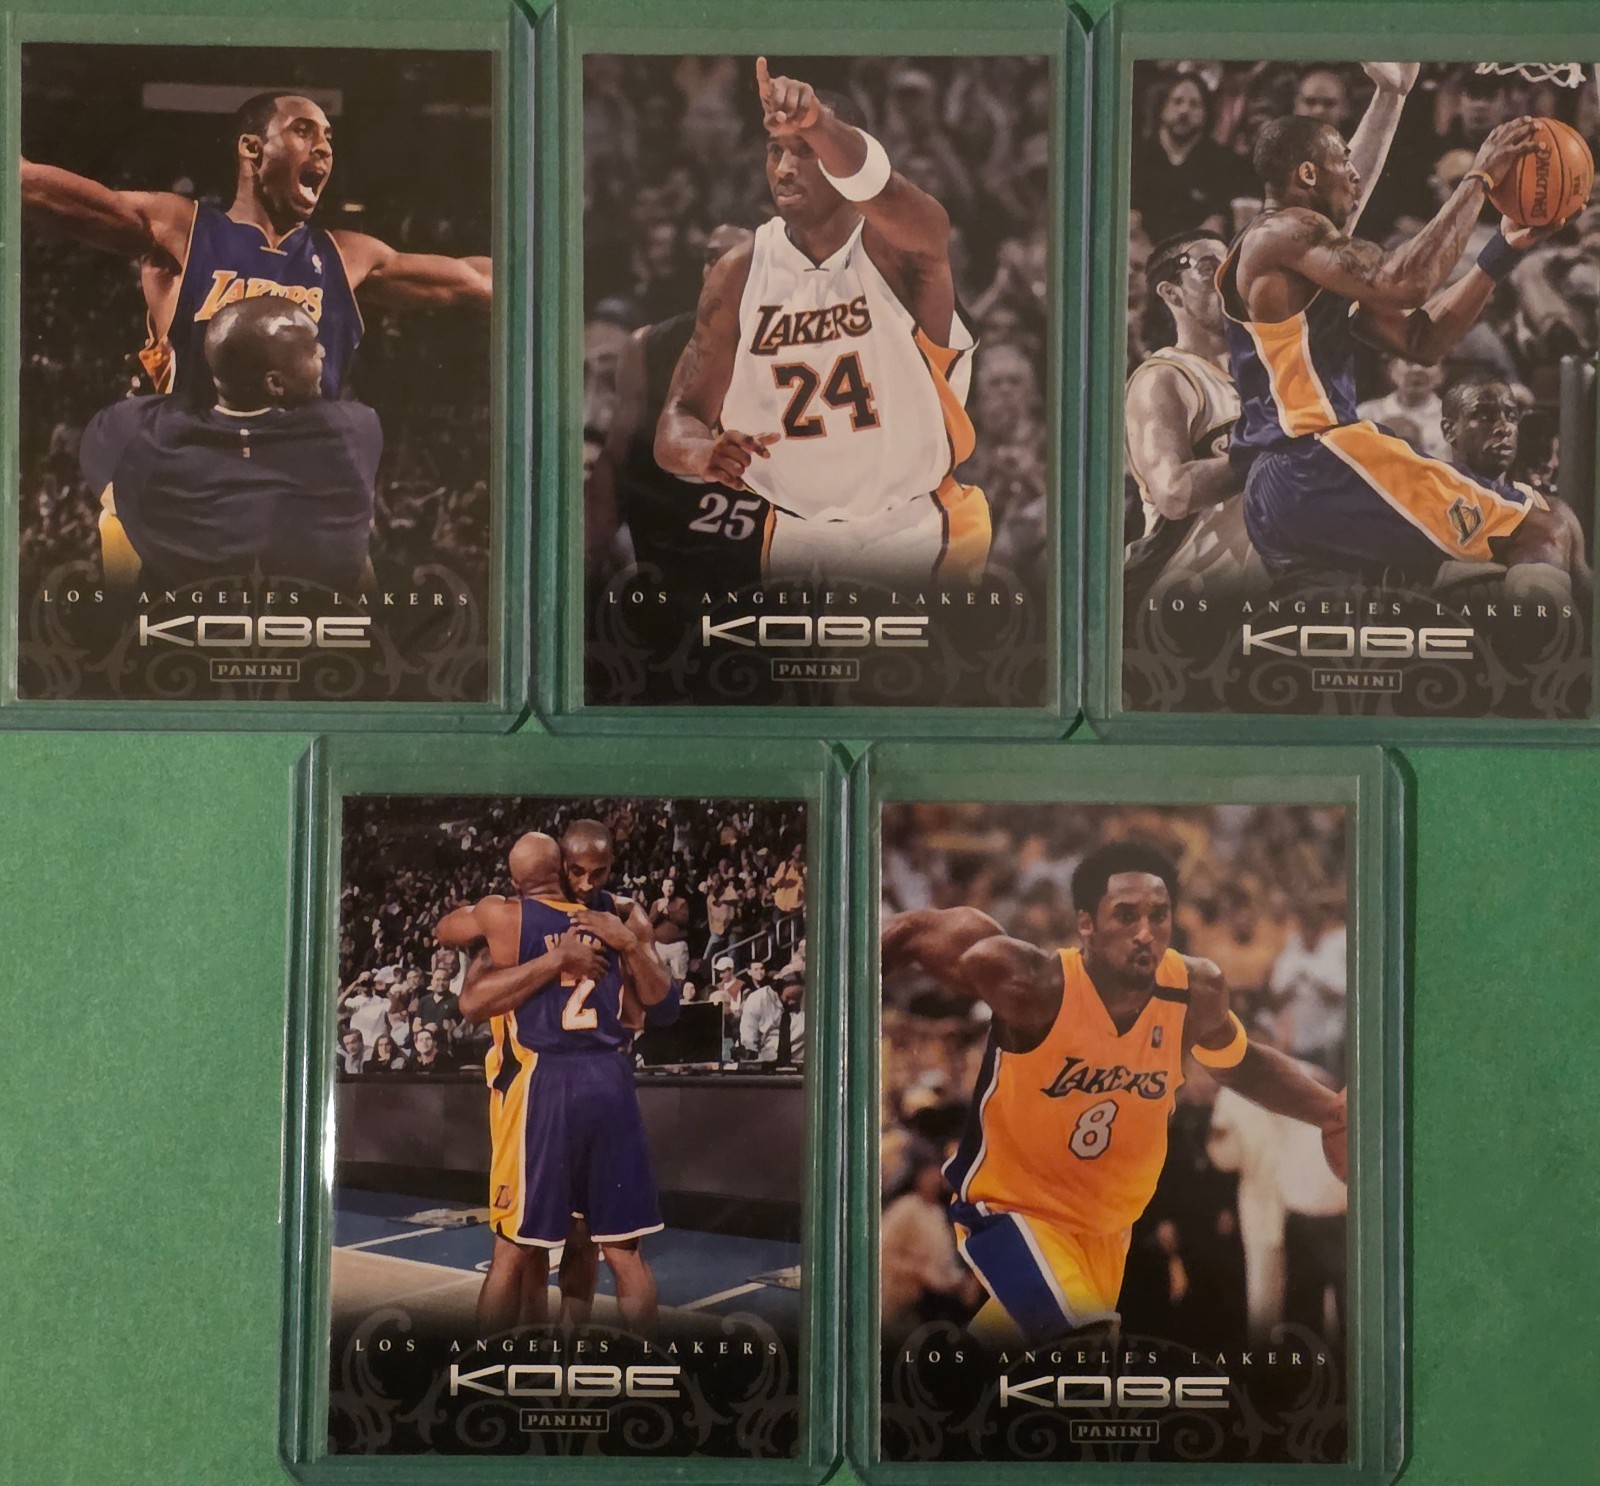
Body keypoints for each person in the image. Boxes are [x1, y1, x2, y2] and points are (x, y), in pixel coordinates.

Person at [881, 841, 1347, 1347]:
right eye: (1126, 915)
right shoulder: (1034, 985)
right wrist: (831, 984)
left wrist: (1329, 1111)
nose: (1145, 932)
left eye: (1158, 915)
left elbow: (1241, 1063)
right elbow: (913, 933)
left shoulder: (1193, 992)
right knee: (1081, 1342)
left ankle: (939, 1390)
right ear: (1087, 924)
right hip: (1014, 1211)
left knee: (1012, 1356)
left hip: (1106, 1232)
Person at [1220, 105, 1587, 597]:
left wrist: (1502, 250)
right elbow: (1406, 281)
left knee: (1393, 607)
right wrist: (1479, 178)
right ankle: (1547, 644)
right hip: (1319, 460)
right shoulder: (1283, 230)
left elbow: (1421, 340)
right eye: (1343, 160)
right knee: (1542, 527)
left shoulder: (1301, 268)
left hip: (1279, 495)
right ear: (1307, 174)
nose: (1355, 174)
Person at [655, 59, 988, 586]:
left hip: (917, 528)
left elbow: (889, 195)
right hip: (794, 535)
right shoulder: (738, 273)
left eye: (804, 151)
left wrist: (818, 124)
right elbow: (681, 415)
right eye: (776, 151)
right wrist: (702, 453)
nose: (784, 169)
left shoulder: (900, 249)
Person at [1125, 67, 1417, 611]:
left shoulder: (1263, 362)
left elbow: (1332, 216)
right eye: (1207, 268)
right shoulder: (1165, 377)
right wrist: (1278, 449)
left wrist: (1390, 96)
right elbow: (1175, 493)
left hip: (1270, 595)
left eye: (1229, 263)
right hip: (1189, 602)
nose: (1226, 276)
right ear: (1169, 293)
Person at [21, 90, 491, 405]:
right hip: (192, 485)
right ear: (252, 148)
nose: (324, 147)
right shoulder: (183, 228)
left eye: (328, 137)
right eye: (303, 131)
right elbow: (38, 188)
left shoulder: (346, 255)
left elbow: (474, 279)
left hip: (295, 493)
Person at [437, 825, 673, 1333]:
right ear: (560, 867)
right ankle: (625, 1358)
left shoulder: (509, 916)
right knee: (615, 1249)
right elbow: (653, 1011)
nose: (587, 883)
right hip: (609, 1079)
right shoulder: (618, 914)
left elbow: (464, 984)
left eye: (597, 873)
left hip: (539, 1085)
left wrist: (485, 927)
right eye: (577, 872)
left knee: (517, 1247)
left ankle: (501, 1357)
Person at [78, 298, 381, 589]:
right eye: (312, 349)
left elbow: (105, 449)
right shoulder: (354, 426)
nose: (323, 352)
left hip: (191, 603)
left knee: (113, 520)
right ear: (275, 383)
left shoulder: (141, 431)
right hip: (313, 604)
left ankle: (123, 620)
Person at [589, 225, 761, 593]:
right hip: (668, 550)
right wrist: (589, 558)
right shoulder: (647, 346)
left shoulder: (805, 346)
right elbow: (615, 460)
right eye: (712, 257)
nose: (722, 267)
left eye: (739, 260)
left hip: (757, 553)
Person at [1435, 379, 1592, 611]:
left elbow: (1588, 598)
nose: (1504, 427)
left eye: (1511, 417)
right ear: (1450, 431)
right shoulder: (1419, 505)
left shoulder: (1555, 511)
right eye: (1486, 416)